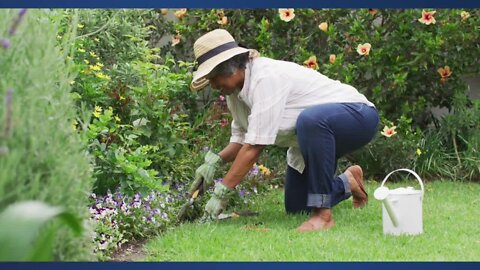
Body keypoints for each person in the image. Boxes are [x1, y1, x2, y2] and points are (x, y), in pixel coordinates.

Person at [189, 29, 379, 232]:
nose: (213, 85)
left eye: (213, 77)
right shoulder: (234, 94)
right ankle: (348, 182)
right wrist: (214, 163)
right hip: (313, 137)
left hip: (358, 117)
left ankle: (323, 216)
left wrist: (222, 192)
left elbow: (254, 146)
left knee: (310, 120)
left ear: (231, 68)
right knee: (297, 207)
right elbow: (241, 138)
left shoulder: (266, 78)